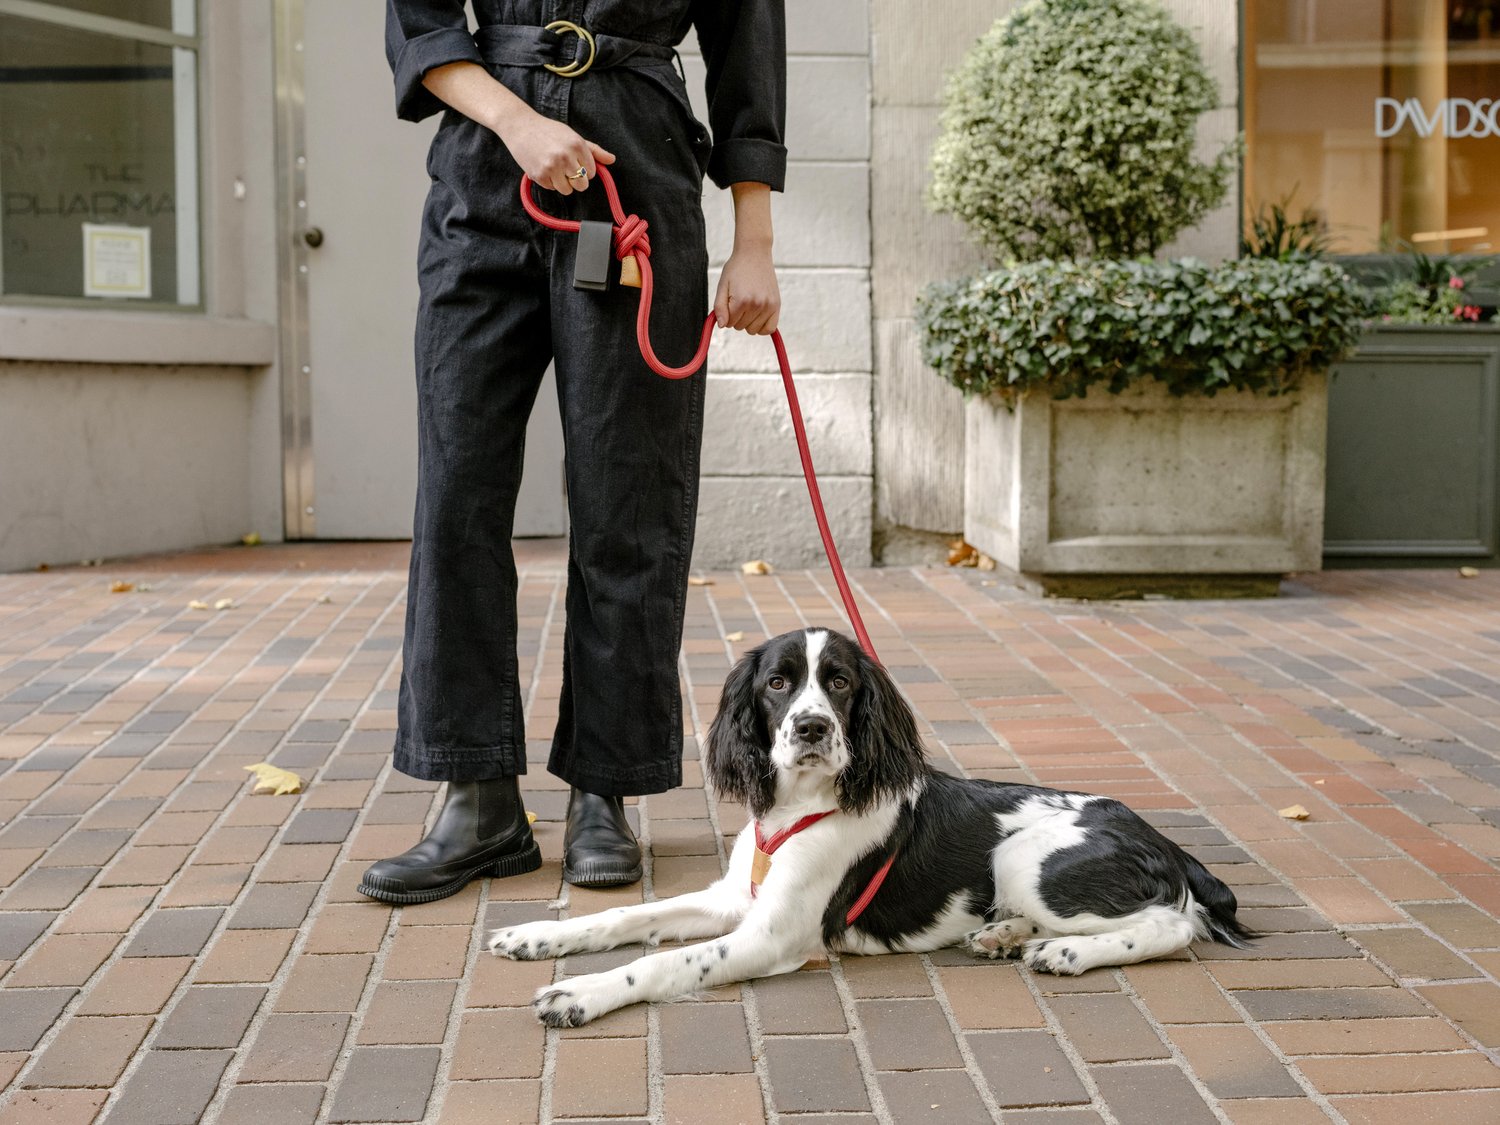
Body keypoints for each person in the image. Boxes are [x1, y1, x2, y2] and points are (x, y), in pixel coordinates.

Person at [359, 0, 785, 904]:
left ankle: (607, 788)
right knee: (456, 496)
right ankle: (477, 797)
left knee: (627, 498)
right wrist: (517, 123)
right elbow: (424, 25)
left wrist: (755, 245)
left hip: (639, 178)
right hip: (485, 179)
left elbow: (749, 55)